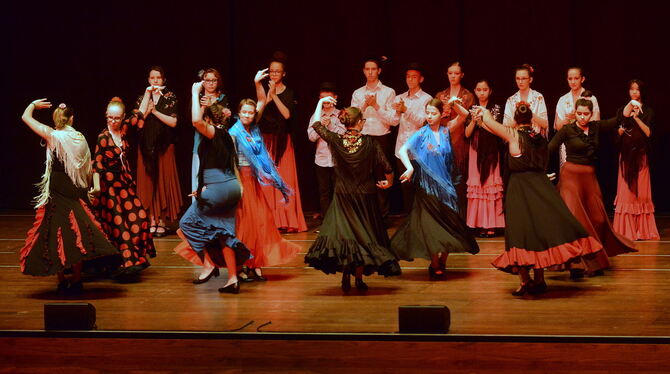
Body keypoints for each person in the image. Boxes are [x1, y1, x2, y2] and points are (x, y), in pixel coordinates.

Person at [479, 102, 603, 296]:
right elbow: (487, 126)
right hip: (540, 187)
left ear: (515, 120)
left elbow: (489, 122)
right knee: (537, 233)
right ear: (530, 119)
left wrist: (484, 112)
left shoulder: (513, 135)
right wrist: (476, 117)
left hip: (520, 189)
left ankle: (525, 281)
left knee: (520, 234)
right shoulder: (538, 137)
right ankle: (539, 280)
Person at [19, 99, 119, 294]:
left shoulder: (53, 135)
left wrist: (32, 105)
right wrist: (90, 187)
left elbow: (25, 117)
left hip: (57, 188)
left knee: (57, 232)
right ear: (72, 119)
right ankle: (77, 278)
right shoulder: (79, 138)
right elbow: (87, 167)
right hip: (76, 188)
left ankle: (61, 280)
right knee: (77, 231)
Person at [305, 98, 401, 292]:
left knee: (345, 236)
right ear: (359, 122)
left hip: (342, 196)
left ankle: (346, 275)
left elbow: (316, 125)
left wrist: (320, 101)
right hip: (365, 197)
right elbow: (388, 167)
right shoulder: (370, 143)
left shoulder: (336, 140)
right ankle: (358, 278)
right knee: (362, 237)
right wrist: (389, 182)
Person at [172, 81, 252, 294]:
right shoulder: (228, 136)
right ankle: (232, 279)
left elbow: (195, 120)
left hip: (219, 189)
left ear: (210, 120)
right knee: (223, 232)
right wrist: (201, 188)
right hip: (230, 188)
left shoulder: (214, 133)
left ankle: (208, 264)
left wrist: (194, 91)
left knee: (186, 223)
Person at [391, 98, 479, 279]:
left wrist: (453, 103)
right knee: (432, 228)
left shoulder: (446, 131)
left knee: (450, 225)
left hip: (446, 187)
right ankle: (435, 262)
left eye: (433, 113)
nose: (430, 117)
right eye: (428, 113)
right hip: (427, 188)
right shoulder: (421, 134)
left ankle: (443, 261)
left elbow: (464, 114)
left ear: (441, 114)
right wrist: (410, 168)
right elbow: (402, 151)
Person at [548, 98, 637, 278]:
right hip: (570, 177)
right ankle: (576, 264)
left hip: (589, 177)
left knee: (598, 219)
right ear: (575, 113)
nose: (582, 117)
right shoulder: (567, 130)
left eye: (586, 114)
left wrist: (630, 105)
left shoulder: (596, 127)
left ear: (591, 113)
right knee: (576, 219)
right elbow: (549, 148)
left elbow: (617, 120)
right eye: (579, 114)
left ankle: (594, 260)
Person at [229, 69, 300, 281]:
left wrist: (256, 83)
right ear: (238, 113)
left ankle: (256, 264)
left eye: (251, 113)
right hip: (242, 183)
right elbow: (231, 163)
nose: (249, 116)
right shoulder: (234, 133)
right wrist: (238, 185)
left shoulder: (253, 128)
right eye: (245, 113)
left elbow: (261, 100)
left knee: (261, 223)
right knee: (245, 226)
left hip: (254, 182)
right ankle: (243, 264)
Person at [90, 97, 155, 279]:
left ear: (122, 117)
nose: (113, 121)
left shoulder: (124, 130)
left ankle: (131, 257)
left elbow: (138, 114)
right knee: (119, 226)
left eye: (117, 118)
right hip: (108, 188)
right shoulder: (103, 137)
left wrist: (148, 92)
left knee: (141, 218)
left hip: (124, 184)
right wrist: (95, 189)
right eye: (110, 118)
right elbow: (97, 163)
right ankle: (126, 263)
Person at [256, 52, 307, 232]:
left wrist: (274, 96)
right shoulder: (262, 89)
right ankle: (270, 220)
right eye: (271, 71)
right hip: (266, 140)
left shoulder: (289, 92)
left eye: (277, 72)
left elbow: (287, 115)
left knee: (284, 179)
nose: (274, 74)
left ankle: (286, 220)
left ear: (283, 74)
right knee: (267, 179)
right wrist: (266, 97)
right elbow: (256, 116)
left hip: (283, 140)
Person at [133, 66, 182, 237]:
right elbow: (137, 121)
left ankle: (161, 220)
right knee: (148, 182)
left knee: (163, 181)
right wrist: (147, 106)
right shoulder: (142, 98)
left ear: (163, 80)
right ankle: (151, 219)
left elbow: (173, 122)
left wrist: (154, 111)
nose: (155, 81)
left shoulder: (170, 97)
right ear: (148, 80)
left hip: (164, 146)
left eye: (158, 78)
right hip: (146, 146)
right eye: (152, 78)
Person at [351, 56, 397, 218]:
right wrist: (365, 105)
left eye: (373, 69)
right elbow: (351, 119)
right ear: (364, 71)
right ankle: (365, 216)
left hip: (381, 137)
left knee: (381, 176)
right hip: (362, 138)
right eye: (367, 69)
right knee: (363, 177)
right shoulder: (357, 93)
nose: (370, 72)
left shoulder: (388, 92)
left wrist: (376, 106)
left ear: (379, 71)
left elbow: (393, 120)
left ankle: (382, 217)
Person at [613, 80, 659, 240]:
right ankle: (627, 230)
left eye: (637, 90)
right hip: (626, 157)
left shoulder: (648, 111)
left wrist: (637, 118)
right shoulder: (622, 111)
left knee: (641, 193)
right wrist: (620, 130)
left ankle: (643, 230)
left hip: (641, 156)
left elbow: (648, 133)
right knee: (626, 193)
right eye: (632, 89)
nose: (634, 93)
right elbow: (617, 132)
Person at [464, 79, 505, 237]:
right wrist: (474, 121)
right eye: (479, 89)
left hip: (492, 151)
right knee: (477, 187)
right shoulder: (471, 109)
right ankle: (478, 223)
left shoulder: (496, 109)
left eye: (485, 89)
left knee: (490, 185)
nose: (482, 92)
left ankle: (492, 224)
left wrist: (484, 122)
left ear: (490, 91)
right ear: (475, 90)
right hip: (475, 151)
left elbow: (499, 131)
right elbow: (467, 134)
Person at [390, 63, 432, 215]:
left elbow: (423, 122)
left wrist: (405, 110)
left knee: (419, 188)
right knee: (405, 187)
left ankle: (421, 221)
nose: (410, 80)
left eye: (414, 77)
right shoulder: (400, 97)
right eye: (408, 77)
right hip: (401, 149)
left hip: (418, 150)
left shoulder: (427, 99)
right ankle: (409, 221)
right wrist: (396, 110)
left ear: (421, 79)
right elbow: (393, 121)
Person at [435, 62, 474, 216]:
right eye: (450, 73)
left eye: (456, 73)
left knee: (459, 182)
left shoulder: (467, 96)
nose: (453, 76)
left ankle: (461, 218)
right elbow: (431, 116)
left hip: (460, 143)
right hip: (443, 141)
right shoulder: (440, 95)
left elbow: (469, 119)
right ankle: (444, 217)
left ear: (461, 75)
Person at [307, 82, 345, 225]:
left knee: (339, 191)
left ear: (335, 98)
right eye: (323, 99)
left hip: (337, 159)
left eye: (329, 98)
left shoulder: (341, 114)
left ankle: (340, 222)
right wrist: (321, 125)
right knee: (324, 192)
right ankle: (327, 223)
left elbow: (344, 135)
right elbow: (311, 137)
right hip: (321, 159)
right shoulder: (316, 116)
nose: (326, 102)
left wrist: (331, 125)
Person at [191, 68, 231, 201]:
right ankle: (197, 208)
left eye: (214, 80)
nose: (211, 83)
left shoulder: (223, 98)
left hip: (217, 142)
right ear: (203, 82)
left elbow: (225, 121)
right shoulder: (197, 97)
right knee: (199, 173)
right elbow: (194, 121)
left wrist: (212, 104)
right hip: (201, 140)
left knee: (215, 174)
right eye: (207, 80)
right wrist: (203, 106)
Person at [554, 67, 601, 168]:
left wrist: (576, 117)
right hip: (568, 144)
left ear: (582, 79)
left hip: (586, 143)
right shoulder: (563, 99)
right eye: (570, 79)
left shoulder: (591, 98)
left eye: (576, 78)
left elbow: (596, 122)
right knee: (568, 176)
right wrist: (568, 119)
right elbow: (558, 126)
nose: (573, 82)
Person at [503, 64, 549, 138]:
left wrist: (529, 113)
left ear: (530, 79)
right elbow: (505, 126)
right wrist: (519, 117)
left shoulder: (538, 97)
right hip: (516, 140)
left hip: (535, 140)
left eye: (524, 78)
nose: (520, 81)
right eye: (518, 78)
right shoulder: (511, 100)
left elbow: (545, 124)